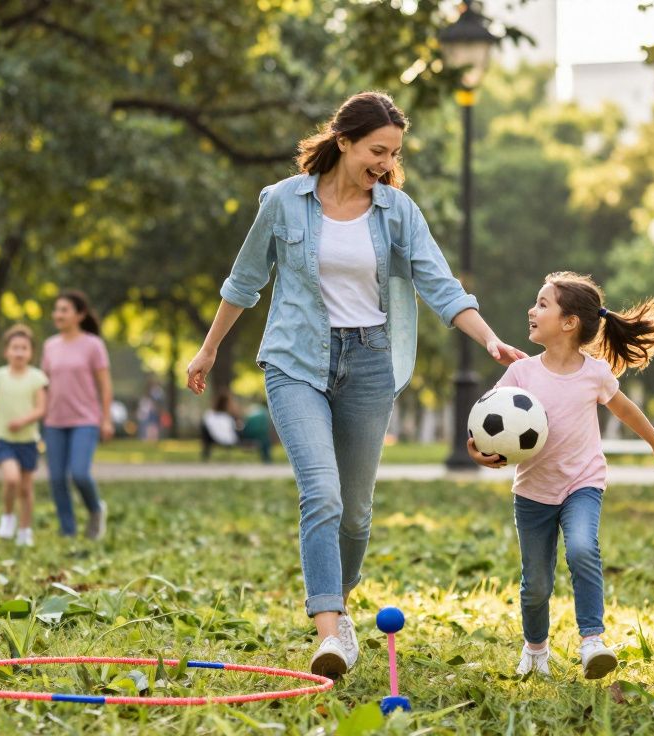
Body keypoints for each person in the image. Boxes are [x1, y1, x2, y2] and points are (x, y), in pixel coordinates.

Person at [185, 91, 525, 679]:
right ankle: (330, 626)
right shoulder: (282, 202)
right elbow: (245, 281)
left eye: (393, 154)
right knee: (322, 492)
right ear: (343, 141)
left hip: (370, 362)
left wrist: (489, 340)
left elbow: (440, 284)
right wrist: (210, 348)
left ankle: (338, 599)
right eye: (376, 150)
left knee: (356, 513)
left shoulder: (397, 211)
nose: (385, 164)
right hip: (295, 360)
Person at [469, 271, 654, 679]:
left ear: (569, 323)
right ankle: (535, 649)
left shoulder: (594, 373)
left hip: (583, 483)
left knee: (582, 549)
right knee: (537, 584)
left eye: (542, 303)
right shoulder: (522, 374)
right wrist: (474, 452)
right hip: (532, 491)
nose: (532, 309)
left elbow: (625, 409)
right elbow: (485, 421)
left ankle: (592, 641)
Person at [42, 290, 113, 539]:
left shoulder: (93, 344)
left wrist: (105, 418)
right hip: (54, 421)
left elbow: (105, 385)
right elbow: (44, 384)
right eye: (56, 309)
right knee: (57, 478)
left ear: (79, 315)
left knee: (80, 474)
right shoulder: (49, 346)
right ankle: (67, 531)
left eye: (64, 310)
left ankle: (95, 510)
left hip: (85, 420)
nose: (58, 315)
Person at [0, 325, 48, 547]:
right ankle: (8, 516)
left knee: (26, 489)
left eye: (24, 348)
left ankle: (25, 531)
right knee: (11, 479)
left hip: (28, 440)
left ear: (31, 353)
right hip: (3, 438)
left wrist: (23, 421)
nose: (19, 352)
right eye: (14, 348)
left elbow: (41, 409)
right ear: (6, 351)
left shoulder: (37, 377)